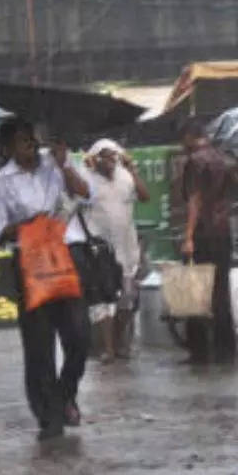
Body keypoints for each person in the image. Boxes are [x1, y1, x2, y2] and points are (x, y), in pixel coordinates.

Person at [0, 120, 92, 439]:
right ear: (7, 148)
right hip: (29, 261)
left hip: (64, 254)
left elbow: (86, 194)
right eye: (21, 142)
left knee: (79, 336)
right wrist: (25, 225)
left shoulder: (55, 164)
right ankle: (48, 415)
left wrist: (64, 165)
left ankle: (64, 393)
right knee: (39, 343)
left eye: (31, 139)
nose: (29, 145)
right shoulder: (0, 183)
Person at [82, 139, 150, 362]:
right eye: (106, 156)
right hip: (100, 248)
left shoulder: (125, 176)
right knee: (102, 299)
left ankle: (120, 341)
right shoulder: (87, 179)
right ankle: (108, 349)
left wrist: (132, 170)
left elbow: (144, 196)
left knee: (127, 297)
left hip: (127, 246)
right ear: (96, 159)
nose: (111, 160)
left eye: (114, 156)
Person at [180, 121, 236, 364]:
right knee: (221, 292)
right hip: (223, 231)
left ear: (190, 136)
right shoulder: (223, 159)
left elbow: (195, 200)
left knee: (197, 292)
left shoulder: (195, 161)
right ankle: (225, 349)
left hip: (203, 232)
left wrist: (188, 236)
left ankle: (200, 350)